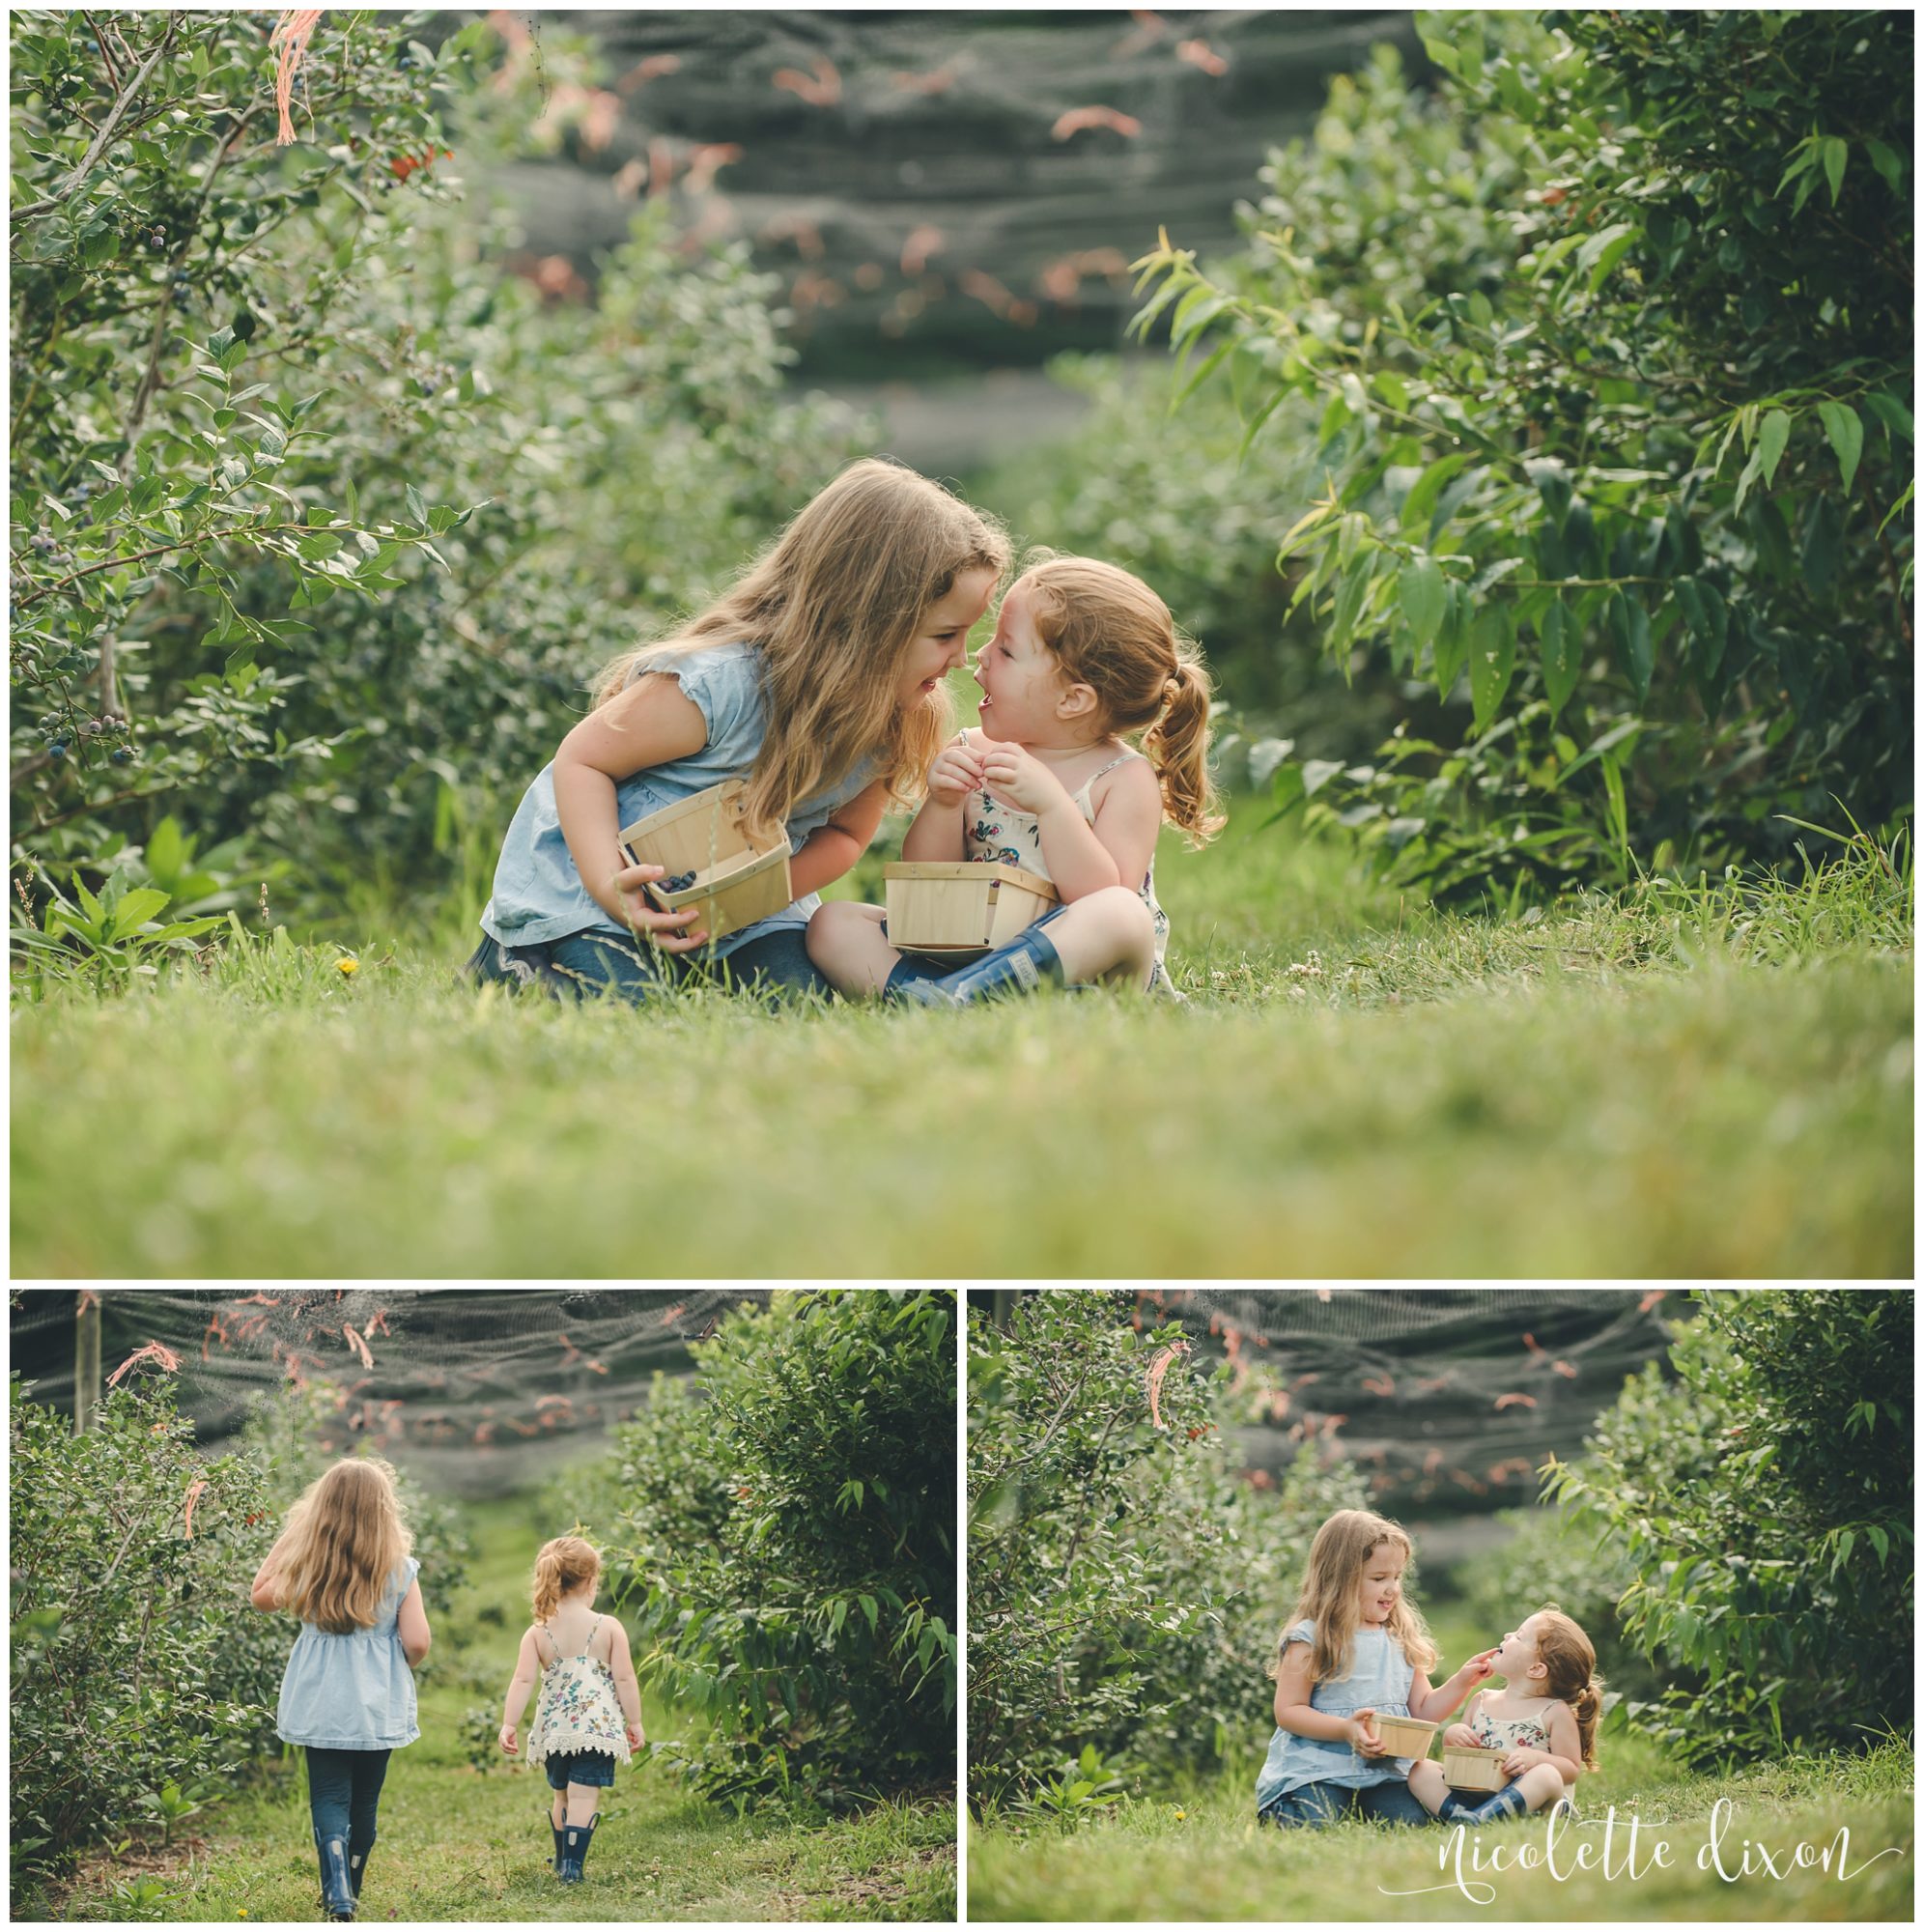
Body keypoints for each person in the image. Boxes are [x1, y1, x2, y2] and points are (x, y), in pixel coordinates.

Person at [467, 459, 1008, 1004]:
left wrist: (743, 903)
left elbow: (844, 837)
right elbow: (583, 760)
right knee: (627, 1005)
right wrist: (611, 887)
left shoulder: (899, 716)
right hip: (593, 901)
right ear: (865, 622)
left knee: (799, 1007)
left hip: (746, 920)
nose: (960, 658)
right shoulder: (717, 687)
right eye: (944, 635)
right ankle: (515, 963)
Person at [806, 554, 1220, 1004]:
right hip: (969, 946)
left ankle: (957, 997)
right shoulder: (971, 750)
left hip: (1080, 973)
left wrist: (1052, 806)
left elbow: (1098, 896)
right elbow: (932, 883)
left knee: (1122, 913)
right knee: (833, 923)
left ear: (1073, 699)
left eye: (1005, 649)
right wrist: (943, 805)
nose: (979, 655)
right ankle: (934, 997)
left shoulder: (1121, 780)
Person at [250, 1459, 430, 1921]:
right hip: (376, 1702)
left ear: (320, 1511)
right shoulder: (400, 1570)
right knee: (365, 1801)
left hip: (321, 1697)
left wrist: (292, 1538)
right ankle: (352, 1882)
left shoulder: (308, 1566)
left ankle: (336, 1893)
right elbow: (417, 1642)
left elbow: (260, 1595)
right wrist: (392, 1666)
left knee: (329, 1796)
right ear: (384, 1511)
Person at [1255, 1508, 1497, 1830]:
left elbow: (1423, 1712)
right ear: (1339, 1579)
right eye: (1379, 1578)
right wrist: (1345, 1729)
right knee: (1314, 1823)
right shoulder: (1311, 1639)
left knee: (1410, 1823)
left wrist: (1462, 1682)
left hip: (1384, 1773)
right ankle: (1286, 1807)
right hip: (1318, 1769)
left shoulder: (1398, 1639)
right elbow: (1289, 1711)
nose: (1392, 1589)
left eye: (1397, 1577)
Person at [497, 1536, 643, 1885]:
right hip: (596, 1730)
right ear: (591, 1582)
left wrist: (509, 1724)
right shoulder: (608, 1627)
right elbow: (624, 1677)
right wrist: (635, 1721)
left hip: (556, 1732)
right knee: (583, 1795)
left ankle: (563, 1859)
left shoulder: (538, 1631)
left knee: (561, 1793)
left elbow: (522, 1681)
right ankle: (573, 1868)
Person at [1406, 1608, 1598, 1825]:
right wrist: (1453, 1736)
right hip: (1478, 1790)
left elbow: (1570, 1770)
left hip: (1532, 1800)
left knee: (1547, 1775)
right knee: (1420, 1770)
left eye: (1519, 1636)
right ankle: (1466, 1814)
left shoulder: (1554, 1711)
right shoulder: (1482, 1701)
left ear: (1536, 1669)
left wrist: (1535, 1759)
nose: (1507, 1635)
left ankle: (1481, 1817)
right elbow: (1460, 1758)